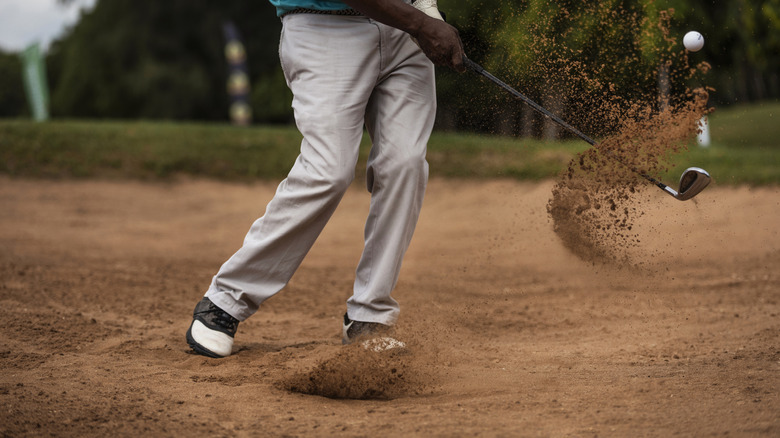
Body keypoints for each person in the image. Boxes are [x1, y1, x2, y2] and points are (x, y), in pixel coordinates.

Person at [186, 0, 465, 358]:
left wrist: (426, 8)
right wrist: (422, 25)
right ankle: (225, 301)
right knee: (328, 171)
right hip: (326, 26)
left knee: (405, 165)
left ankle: (369, 316)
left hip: (407, 33)